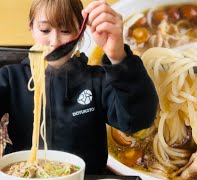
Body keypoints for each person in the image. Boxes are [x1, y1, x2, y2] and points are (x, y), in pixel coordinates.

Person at [0, 0, 158, 174]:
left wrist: (118, 56)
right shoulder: (11, 78)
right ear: (31, 28)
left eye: (66, 30)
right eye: (45, 30)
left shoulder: (97, 80)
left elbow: (138, 120)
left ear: (80, 33)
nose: (54, 41)